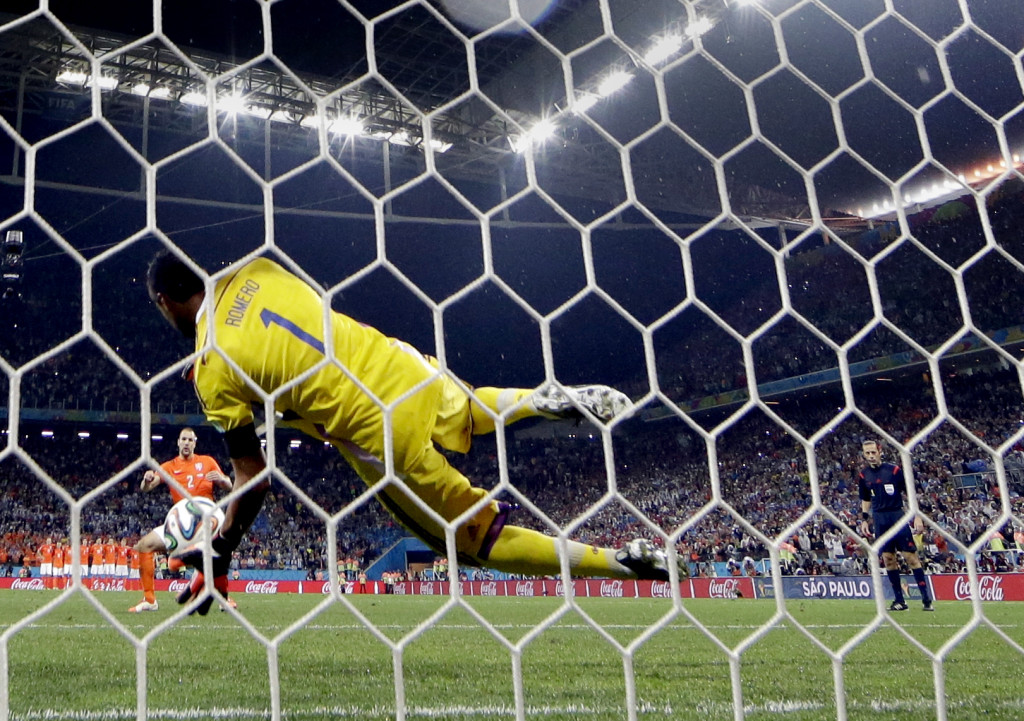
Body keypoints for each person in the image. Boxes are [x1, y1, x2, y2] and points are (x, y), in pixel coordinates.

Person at [146, 251, 684, 612]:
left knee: (471, 540)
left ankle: (618, 563)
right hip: (401, 364)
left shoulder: (210, 366)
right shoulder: (259, 267)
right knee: (470, 409)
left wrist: (221, 550)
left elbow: (253, 477)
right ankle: (534, 400)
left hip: (374, 428)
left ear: (164, 303)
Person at [127, 427, 233, 613]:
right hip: (180, 526)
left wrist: (222, 480)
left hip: (205, 524)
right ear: (178, 442)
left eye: (190, 440)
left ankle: (224, 598)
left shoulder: (207, 462)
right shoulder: (169, 466)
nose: (186, 443)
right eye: (183, 439)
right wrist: (146, 480)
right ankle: (150, 600)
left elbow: (229, 486)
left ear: (195, 443)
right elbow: (146, 488)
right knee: (144, 545)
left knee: (218, 554)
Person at [857, 439, 933, 612]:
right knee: (888, 559)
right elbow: (865, 498)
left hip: (897, 515)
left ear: (880, 452)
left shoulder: (894, 470)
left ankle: (926, 599)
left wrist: (917, 516)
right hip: (879, 519)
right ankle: (899, 601)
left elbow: (910, 493)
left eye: (873, 452)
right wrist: (864, 519)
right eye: (867, 453)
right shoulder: (864, 475)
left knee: (910, 557)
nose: (871, 456)